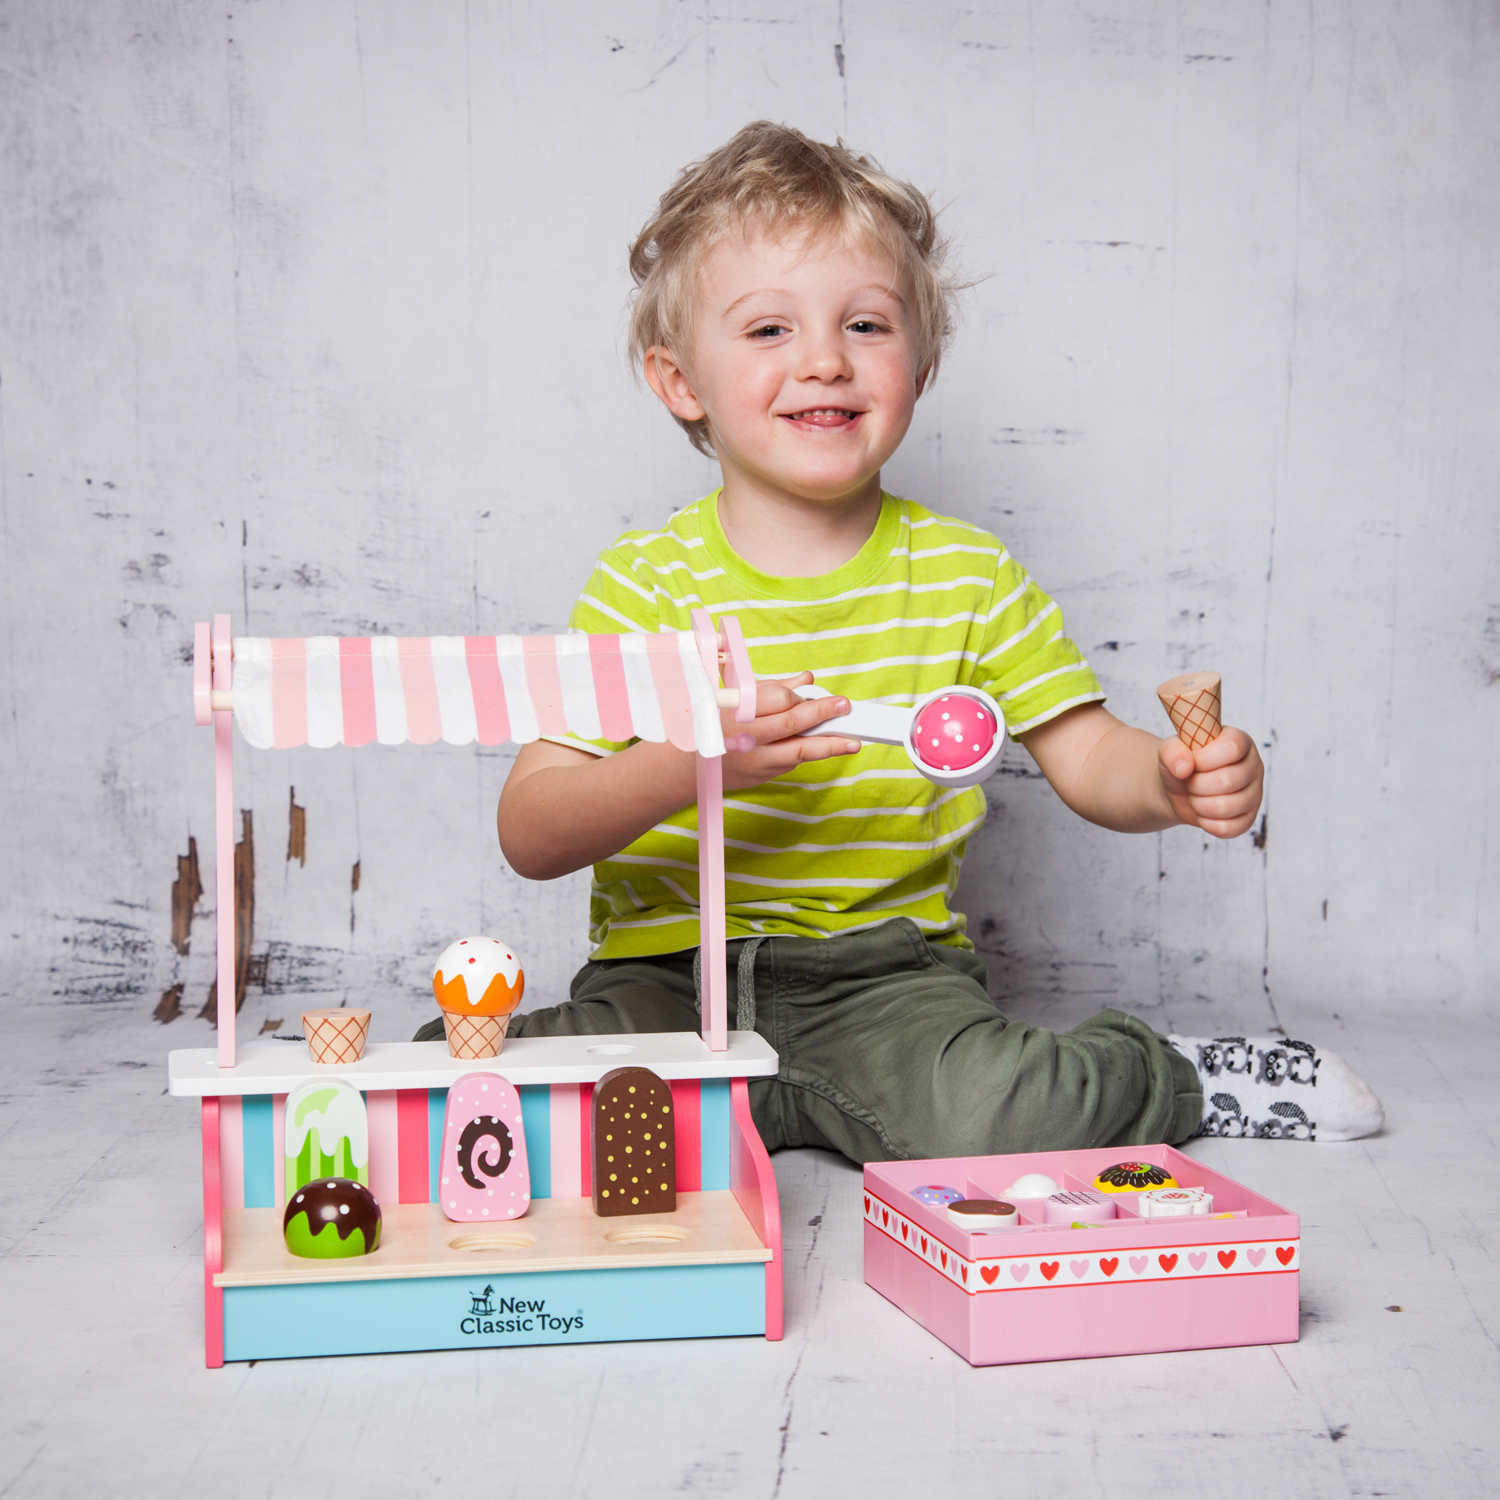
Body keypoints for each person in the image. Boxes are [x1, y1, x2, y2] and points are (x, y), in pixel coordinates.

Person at [417, 121, 1382, 1155]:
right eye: (769, 331)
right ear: (680, 382)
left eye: (867, 326)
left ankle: (1171, 1075)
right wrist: (688, 764)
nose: (826, 360)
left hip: (881, 984)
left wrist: (1173, 781)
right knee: (462, 1104)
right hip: (664, 984)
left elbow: (1090, 751)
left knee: (996, 1113)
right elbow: (533, 829)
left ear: (919, 367)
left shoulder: (969, 577)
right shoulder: (644, 585)